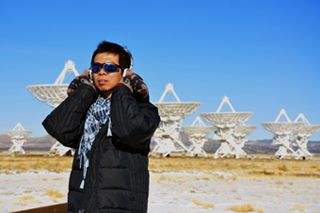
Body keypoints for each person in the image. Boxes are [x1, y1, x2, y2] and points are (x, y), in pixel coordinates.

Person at [42, 41, 160, 213]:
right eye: (96, 68)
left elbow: (128, 130)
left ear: (125, 73)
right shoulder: (86, 111)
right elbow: (60, 129)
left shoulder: (145, 111)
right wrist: (86, 90)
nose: (102, 72)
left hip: (121, 207)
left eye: (110, 68)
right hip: (83, 204)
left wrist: (122, 89)